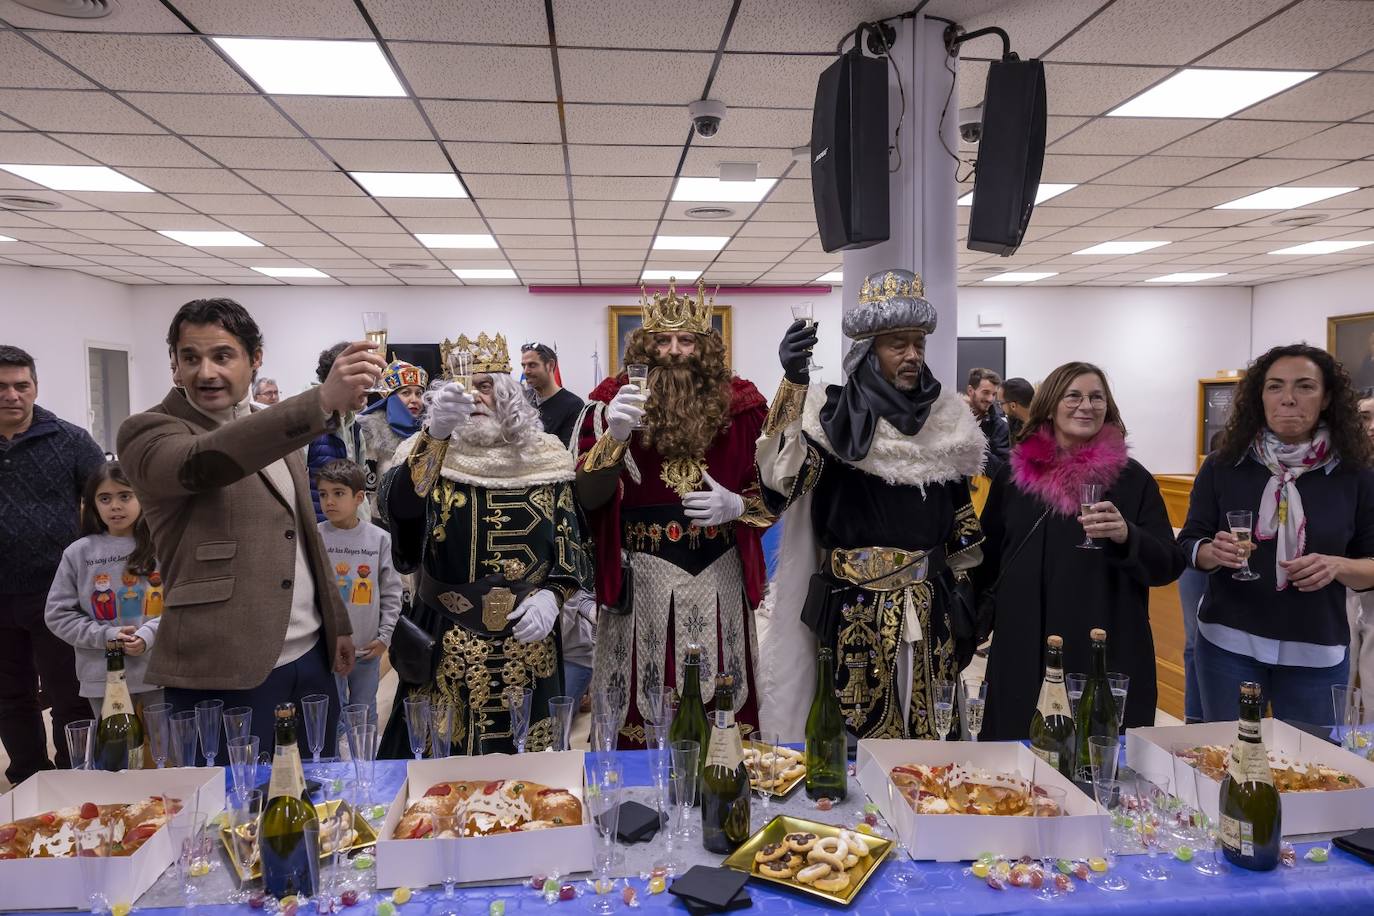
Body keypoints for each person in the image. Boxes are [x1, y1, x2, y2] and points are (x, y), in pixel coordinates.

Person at [117, 297, 382, 757]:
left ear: (254, 359)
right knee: (232, 814)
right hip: (223, 665)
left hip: (310, 657)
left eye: (222, 356)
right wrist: (319, 402)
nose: (206, 372)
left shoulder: (269, 424)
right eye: (190, 358)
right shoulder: (149, 432)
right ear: (174, 366)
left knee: (314, 798)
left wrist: (337, 622)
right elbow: (205, 463)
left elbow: (303, 533)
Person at [755, 269, 987, 741]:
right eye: (896, 344)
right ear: (867, 351)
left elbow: (961, 524)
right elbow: (781, 480)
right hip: (853, 609)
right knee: (852, 734)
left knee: (930, 734)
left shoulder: (947, 421)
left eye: (917, 344)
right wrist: (793, 384)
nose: (911, 355)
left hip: (931, 605)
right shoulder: (831, 419)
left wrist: (965, 596)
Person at [578, 279, 771, 748]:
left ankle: (725, 796)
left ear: (704, 348)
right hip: (640, 579)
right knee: (639, 713)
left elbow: (778, 495)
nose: (674, 351)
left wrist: (739, 506)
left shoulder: (744, 406)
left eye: (686, 340)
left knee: (722, 716)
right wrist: (615, 435)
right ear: (646, 346)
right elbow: (586, 497)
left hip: (719, 571)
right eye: (662, 340)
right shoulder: (611, 400)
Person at [380, 332, 590, 756]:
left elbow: (572, 541)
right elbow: (399, 508)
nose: (475, 396)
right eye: (464, 387)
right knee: (439, 766)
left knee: (533, 774)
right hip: (445, 632)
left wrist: (553, 595)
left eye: (486, 385)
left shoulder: (547, 454)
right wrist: (436, 437)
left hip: (529, 637)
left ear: (509, 393)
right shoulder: (421, 452)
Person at [976, 361, 1183, 740]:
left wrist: (1127, 535)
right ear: (1051, 405)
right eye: (1073, 395)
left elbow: (1168, 565)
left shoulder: (1132, 479)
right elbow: (987, 559)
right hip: (1023, 647)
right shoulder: (1015, 476)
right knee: (1016, 770)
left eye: (1096, 397)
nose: (1085, 405)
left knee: (1095, 764)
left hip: (1102, 647)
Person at [1180, 344, 1374, 723]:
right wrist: (1211, 552)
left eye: (1304, 387)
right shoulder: (1224, 464)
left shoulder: (1356, 474)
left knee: (1309, 775)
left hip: (1317, 651)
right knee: (1229, 765)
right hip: (1227, 644)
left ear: (1327, 397)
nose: (1288, 399)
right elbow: (1190, 541)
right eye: (1275, 387)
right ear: (1260, 396)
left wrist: (1336, 566)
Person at [0, 345, 105, 782]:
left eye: (21, 385)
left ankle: (74, 772)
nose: (12, 395)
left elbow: (104, 500)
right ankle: (29, 775)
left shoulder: (70, 439)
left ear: (35, 388)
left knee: (69, 694)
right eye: (2, 387)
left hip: (58, 592)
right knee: (9, 695)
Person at [45, 461, 162, 718]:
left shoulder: (162, 546)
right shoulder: (78, 553)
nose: (115, 505)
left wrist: (149, 635)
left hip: (160, 675)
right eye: (105, 498)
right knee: (117, 755)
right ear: (92, 504)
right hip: (104, 679)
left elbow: (180, 605)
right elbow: (57, 615)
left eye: (125, 496)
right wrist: (106, 636)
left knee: (169, 755)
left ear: (141, 496)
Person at [316, 459, 402, 727]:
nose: (329, 501)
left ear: (359, 497)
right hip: (326, 648)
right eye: (323, 494)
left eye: (338, 493)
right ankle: (338, 768)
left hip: (367, 647)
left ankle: (365, 765)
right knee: (334, 715)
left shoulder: (379, 539)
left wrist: (385, 636)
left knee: (364, 714)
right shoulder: (315, 536)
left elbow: (391, 593)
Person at [356, 359, 428, 516]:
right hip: (382, 519)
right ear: (391, 398)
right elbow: (366, 488)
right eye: (406, 393)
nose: (414, 399)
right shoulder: (371, 430)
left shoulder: (430, 431)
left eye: (419, 393)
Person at [308, 342, 369, 523]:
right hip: (318, 537)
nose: (368, 385)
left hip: (350, 538)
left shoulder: (354, 427)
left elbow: (360, 492)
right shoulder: (309, 424)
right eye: (361, 377)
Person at [1350, 390, 1374, 693]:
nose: (1371, 426)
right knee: (1339, 680)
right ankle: (1332, 742)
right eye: (1364, 417)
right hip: (1343, 582)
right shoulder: (1342, 471)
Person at [521, 343, 584, 448]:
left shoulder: (573, 405)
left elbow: (568, 452)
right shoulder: (523, 399)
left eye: (532, 365)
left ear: (550, 365)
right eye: (523, 366)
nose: (526, 371)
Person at [966, 368, 1010, 477]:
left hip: (984, 492)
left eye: (994, 394)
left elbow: (1002, 470)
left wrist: (974, 447)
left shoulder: (1001, 427)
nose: (990, 399)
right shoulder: (952, 418)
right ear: (971, 391)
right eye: (986, 393)